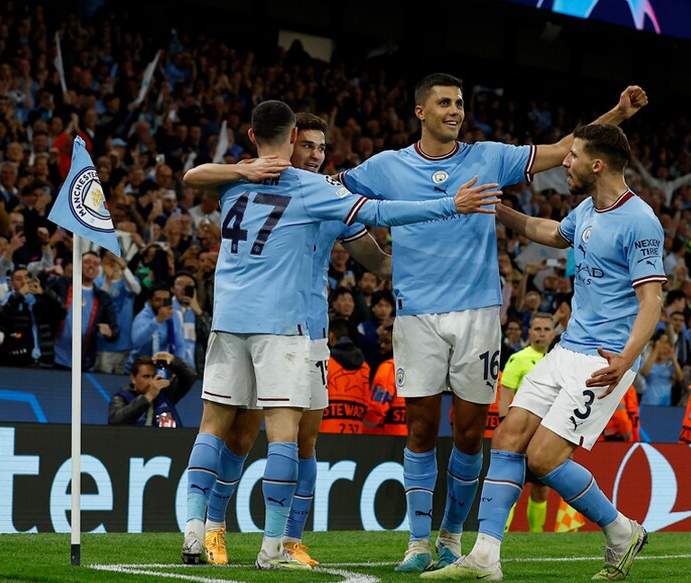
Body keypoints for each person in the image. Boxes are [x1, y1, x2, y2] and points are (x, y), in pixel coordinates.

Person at [337, 73, 648, 572]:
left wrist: (615, 115)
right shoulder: (385, 166)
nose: (455, 110)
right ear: (421, 111)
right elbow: (333, 198)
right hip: (416, 312)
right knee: (419, 431)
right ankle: (417, 544)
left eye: (459, 102)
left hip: (480, 314)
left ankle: (452, 541)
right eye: (444, 102)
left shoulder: (488, 156)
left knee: (468, 435)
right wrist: (373, 258)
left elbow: (564, 149)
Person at [179, 100, 499, 570]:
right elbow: (384, 212)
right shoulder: (306, 190)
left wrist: (425, 266)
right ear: (289, 141)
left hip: (279, 326)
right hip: (281, 327)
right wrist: (451, 205)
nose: (312, 154)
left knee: (297, 437)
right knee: (255, 435)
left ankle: (282, 541)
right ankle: (226, 534)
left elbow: (378, 260)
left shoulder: (239, 182)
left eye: (321, 148)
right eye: (305, 144)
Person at [423, 124, 661, 581]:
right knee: (508, 439)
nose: (563, 164)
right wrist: (499, 210)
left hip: (604, 360)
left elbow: (652, 299)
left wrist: (627, 359)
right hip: (566, 349)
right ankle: (485, 558)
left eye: (572, 157)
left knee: (544, 459)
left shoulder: (640, 221)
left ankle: (620, 530)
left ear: (598, 164)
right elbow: (553, 233)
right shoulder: (590, 208)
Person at [497, 312, 556, 533]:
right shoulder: (518, 359)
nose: (542, 333)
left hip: (548, 435)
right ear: (529, 332)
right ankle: (501, 535)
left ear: (553, 333)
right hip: (522, 434)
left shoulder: (559, 360)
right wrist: (506, 427)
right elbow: (505, 395)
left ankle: (536, 537)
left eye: (546, 329)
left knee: (541, 488)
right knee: (512, 487)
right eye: (538, 329)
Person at [49, 251, 119, 371]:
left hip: (83, 361)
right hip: (53, 357)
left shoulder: (102, 298)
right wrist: (46, 273)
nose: (91, 266)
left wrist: (110, 332)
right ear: (77, 265)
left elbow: (114, 329)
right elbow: (41, 292)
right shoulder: (61, 284)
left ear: (98, 270)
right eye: (87, 262)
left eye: (96, 264)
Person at [108, 353, 197, 426]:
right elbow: (115, 421)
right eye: (146, 377)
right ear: (133, 378)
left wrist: (174, 360)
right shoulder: (122, 397)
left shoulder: (166, 392)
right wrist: (148, 397)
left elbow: (191, 376)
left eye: (154, 376)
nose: (151, 381)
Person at [320, 318, 372, 435]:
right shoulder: (365, 367)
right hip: (355, 434)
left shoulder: (325, 362)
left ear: (331, 335)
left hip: (325, 433)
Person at [94, 251, 141, 373]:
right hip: (104, 345)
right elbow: (100, 302)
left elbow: (137, 289)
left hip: (126, 344)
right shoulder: (98, 282)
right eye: (109, 258)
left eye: (115, 257)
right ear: (102, 260)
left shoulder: (129, 280)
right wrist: (108, 279)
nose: (112, 261)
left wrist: (124, 268)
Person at [128, 283, 190, 372]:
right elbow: (137, 342)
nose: (162, 304)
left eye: (166, 300)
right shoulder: (142, 317)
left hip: (164, 367)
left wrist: (178, 367)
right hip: (140, 367)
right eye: (158, 300)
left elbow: (179, 344)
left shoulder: (174, 316)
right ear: (150, 301)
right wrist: (157, 320)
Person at [638, 331, 682, 406]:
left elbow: (680, 378)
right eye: (663, 342)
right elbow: (644, 372)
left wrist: (673, 358)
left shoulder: (670, 366)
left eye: (667, 343)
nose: (665, 346)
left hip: (665, 405)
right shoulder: (646, 363)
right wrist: (656, 350)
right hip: (648, 404)